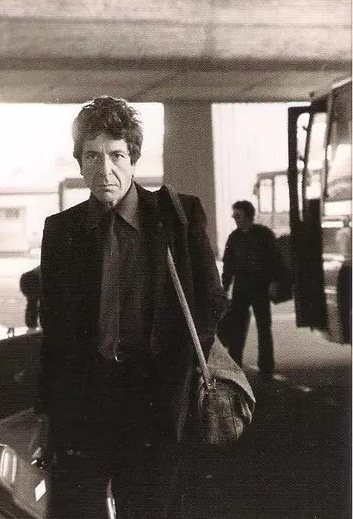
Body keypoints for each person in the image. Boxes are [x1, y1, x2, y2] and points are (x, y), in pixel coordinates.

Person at [34, 96, 227, 518]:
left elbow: (210, 299)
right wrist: (47, 414)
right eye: (92, 156)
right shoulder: (62, 230)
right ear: (79, 162)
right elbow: (56, 332)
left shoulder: (175, 217)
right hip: (84, 399)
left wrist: (178, 374)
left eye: (116, 155)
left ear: (134, 158)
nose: (105, 169)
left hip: (153, 400)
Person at [221, 200, 282, 380]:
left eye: (237, 215)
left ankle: (266, 366)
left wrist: (275, 281)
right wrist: (224, 288)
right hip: (242, 286)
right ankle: (235, 364)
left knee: (263, 327)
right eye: (234, 215)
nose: (234, 218)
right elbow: (228, 265)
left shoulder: (263, 235)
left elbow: (276, 260)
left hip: (260, 286)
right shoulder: (235, 237)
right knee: (238, 327)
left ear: (248, 216)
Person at [19, 265, 41, 330]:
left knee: (32, 304)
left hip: (27, 278)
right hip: (32, 278)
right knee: (34, 304)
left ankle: (31, 326)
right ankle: (32, 325)